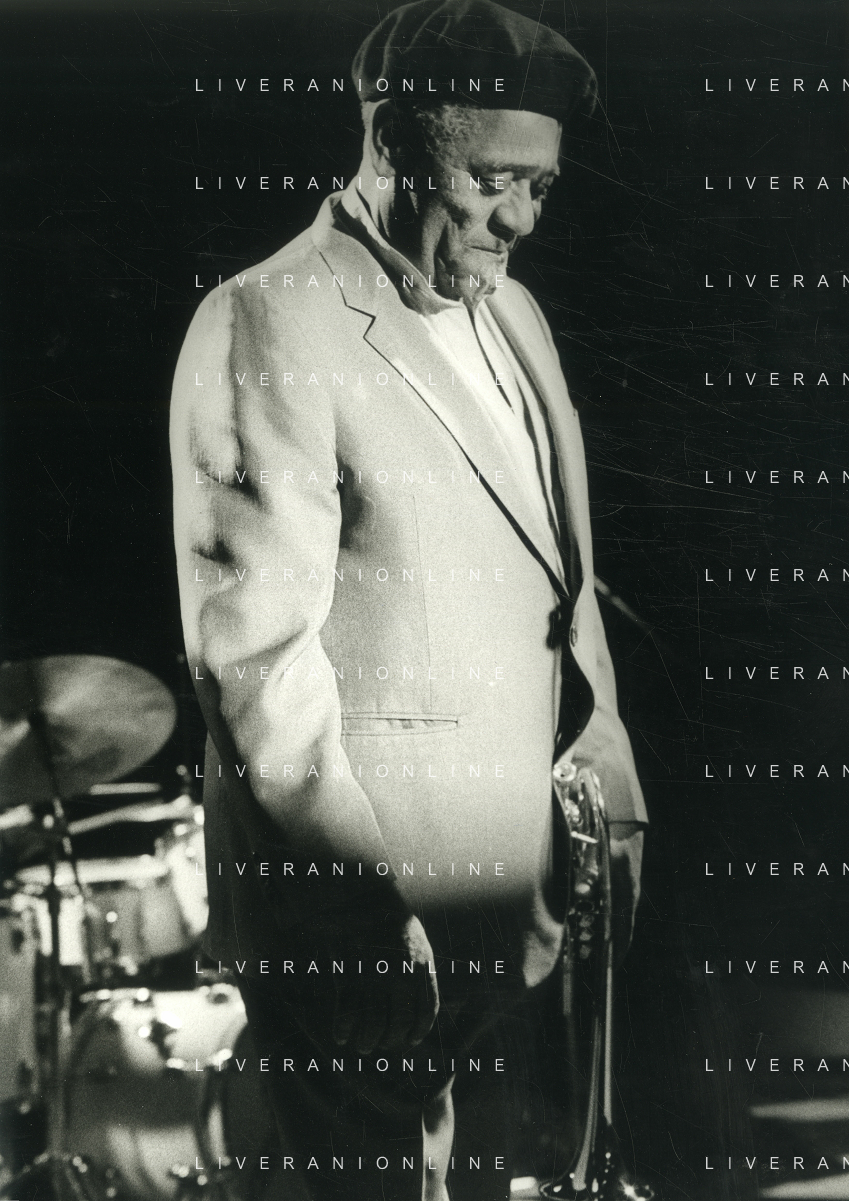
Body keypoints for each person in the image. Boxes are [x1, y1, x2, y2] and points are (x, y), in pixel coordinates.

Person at [170, 2, 647, 1198]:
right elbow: (258, 663)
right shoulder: (265, 317)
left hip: (514, 899)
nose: (520, 219)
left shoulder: (515, 313)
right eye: (492, 180)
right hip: (370, 925)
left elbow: (562, 578)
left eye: (540, 186)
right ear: (391, 141)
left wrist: (611, 773)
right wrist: (359, 913)